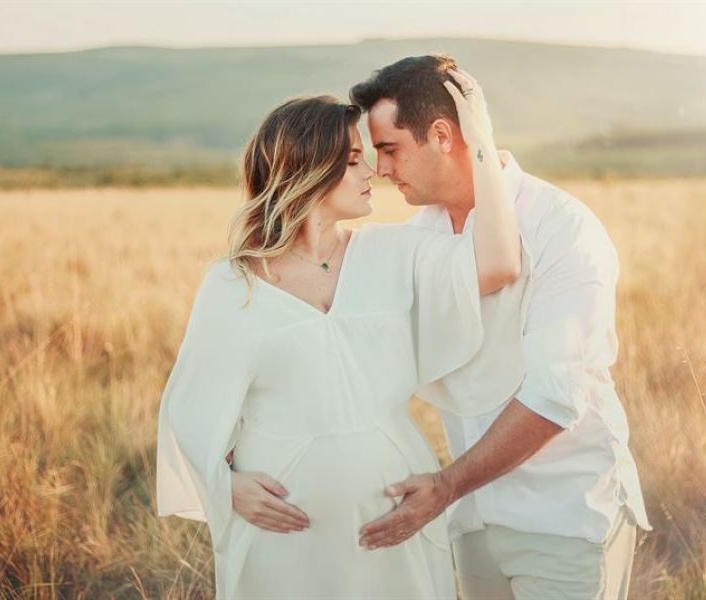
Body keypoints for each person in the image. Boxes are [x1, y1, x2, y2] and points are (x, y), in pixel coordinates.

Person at [156, 71, 531, 598]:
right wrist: (225, 486)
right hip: (284, 536)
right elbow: (189, 410)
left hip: (392, 517)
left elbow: (498, 263)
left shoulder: (392, 253)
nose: (373, 172)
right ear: (307, 170)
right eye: (354, 160)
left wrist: (481, 137)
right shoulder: (232, 283)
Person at [350, 55, 652, 599]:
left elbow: (556, 396)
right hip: (471, 523)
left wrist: (444, 486)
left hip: (564, 518)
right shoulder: (421, 236)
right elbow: (354, 349)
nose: (381, 169)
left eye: (390, 148)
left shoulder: (563, 228)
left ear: (442, 134)